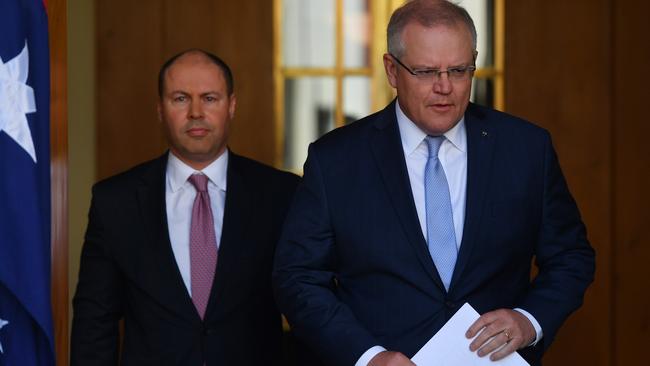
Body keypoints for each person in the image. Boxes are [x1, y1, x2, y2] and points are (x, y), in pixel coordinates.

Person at [272, 1, 595, 365]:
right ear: (392, 70)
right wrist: (367, 357)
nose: (445, 87)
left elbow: (571, 256)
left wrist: (529, 320)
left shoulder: (526, 148)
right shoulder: (336, 160)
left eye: (458, 70)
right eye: (426, 72)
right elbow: (297, 278)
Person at [71, 49, 300, 365]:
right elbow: (94, 322)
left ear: (231, 105)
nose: (195, 112)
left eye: (209, 98)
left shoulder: (281, 194)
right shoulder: (116, 202)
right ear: (160, 109)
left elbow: (308, 308)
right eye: (180, 98)